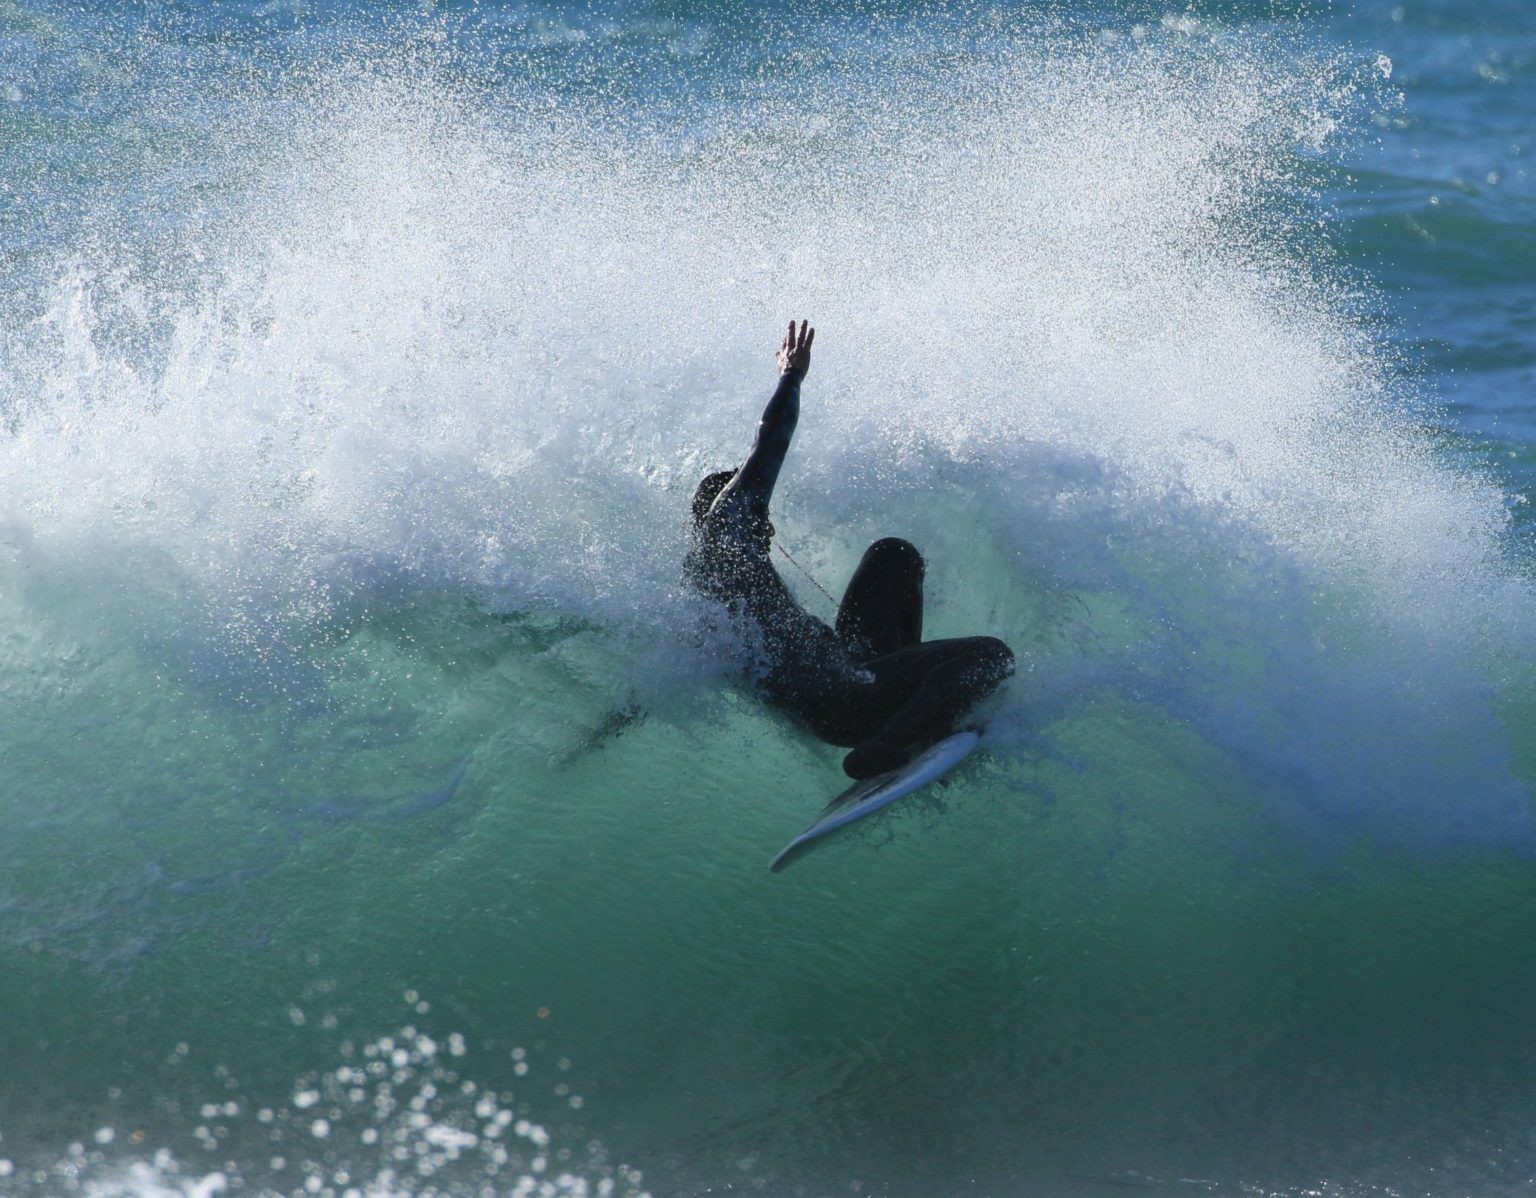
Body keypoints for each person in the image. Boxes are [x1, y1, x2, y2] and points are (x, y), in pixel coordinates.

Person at [686, 320, 1015, 780]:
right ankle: (888, 745)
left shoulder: (707, 582)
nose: (768, 526)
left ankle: (912, 707)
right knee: (990, 655)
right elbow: (768, 445)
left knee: (893, 554)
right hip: (841, 696)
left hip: (850, 670)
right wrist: (791, 376)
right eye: (760, 514)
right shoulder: (728, 529)